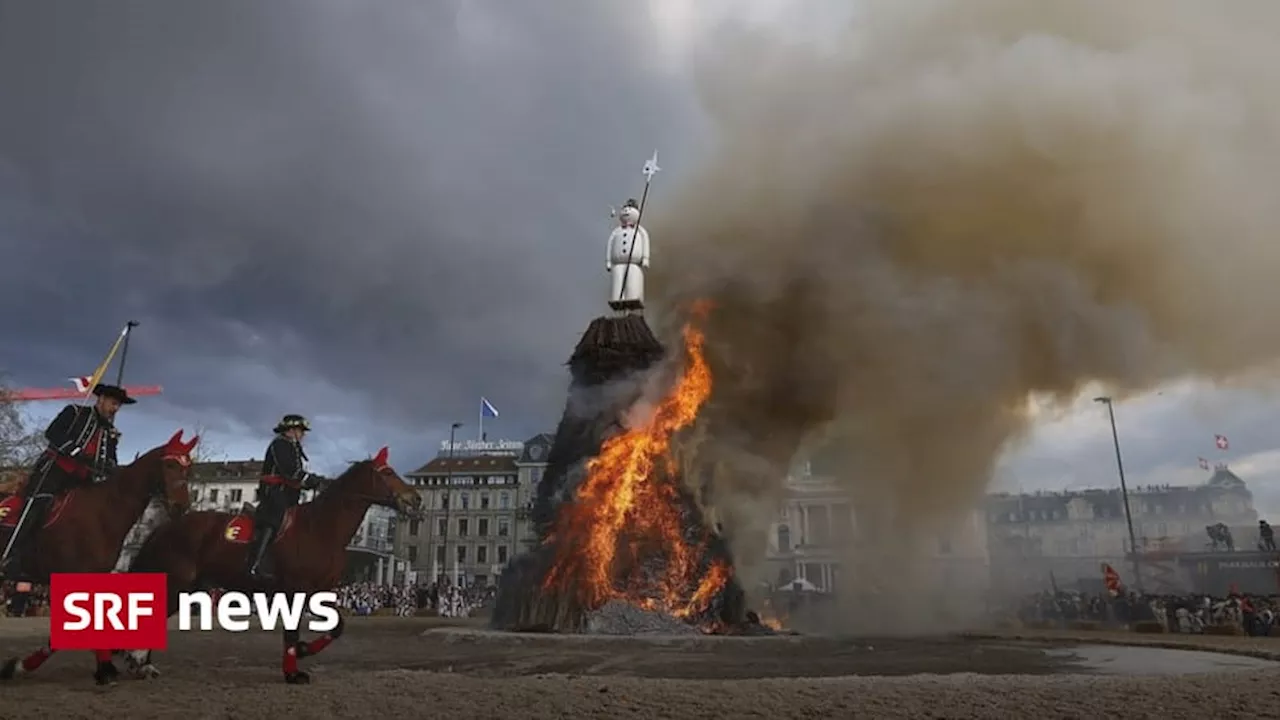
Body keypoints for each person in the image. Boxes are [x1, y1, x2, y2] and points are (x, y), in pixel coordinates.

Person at [0, 384, 133, 579]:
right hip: (55, 470)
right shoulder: (75, 412)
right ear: (101, 399)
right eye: (113, 403)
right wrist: (76, 453)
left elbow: (111, 459)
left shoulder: (111, 433)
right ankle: (12, 553)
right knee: (38, 503)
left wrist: (112, 470)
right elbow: (52, 434)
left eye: (118, 406)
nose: (115, 409)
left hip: (83, 479)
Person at [246, 414, 329, 580]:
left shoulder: (294, 447)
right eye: (300, 431)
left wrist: (314, 481)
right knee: (274, 518)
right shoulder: (280, 444)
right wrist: (309, 479)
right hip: (275, 491)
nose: (303, 435)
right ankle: (256, 562)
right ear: (290, 430)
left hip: (289, 493)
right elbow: (289, 470)